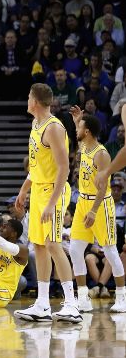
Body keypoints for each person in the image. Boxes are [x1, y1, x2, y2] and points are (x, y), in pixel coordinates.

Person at [13, 83, 81, 323]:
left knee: (53, 244)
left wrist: (52, 203)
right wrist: (24, 190)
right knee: (39, 246)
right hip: (39, 191)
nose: (27, 100)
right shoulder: (35, 124)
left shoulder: (53, 128)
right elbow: (36, 165)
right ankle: (42, 304)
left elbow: (64, 168)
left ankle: (72, 303)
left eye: (28, 97)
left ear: (35, 101)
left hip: (54, 190)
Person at [68, 106, 126, 312]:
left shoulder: (101, 154)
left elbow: (103, 187)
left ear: (88, 132)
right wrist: (78, 120)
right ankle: (83, 298)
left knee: (110, 250)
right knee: (75, 249)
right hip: (83, 202)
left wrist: (93, 211)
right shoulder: (85, 145)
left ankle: (122, 297)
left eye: (79, 128)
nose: (77, 131)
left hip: (100, 205)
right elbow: (79, 138)